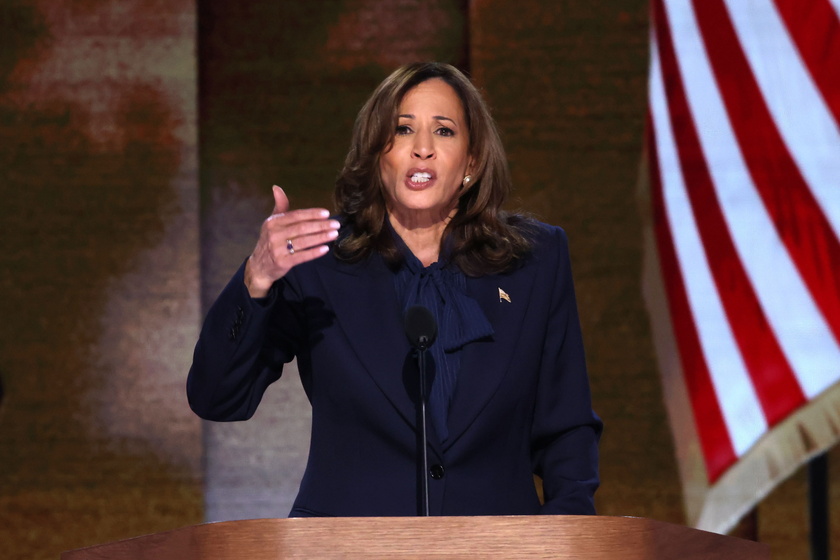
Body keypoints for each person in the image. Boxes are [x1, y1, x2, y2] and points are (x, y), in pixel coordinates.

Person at [187, 62, 602, 517]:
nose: (422, 149)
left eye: (444, 132)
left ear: (473, 160)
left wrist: (568, 535)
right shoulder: (317, 260)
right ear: (374, 154)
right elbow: (217, 398)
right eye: (403, 130)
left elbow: (566, 428)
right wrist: (257, 278)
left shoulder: (535, 260)